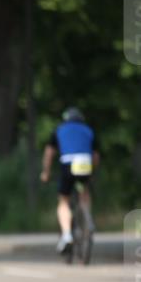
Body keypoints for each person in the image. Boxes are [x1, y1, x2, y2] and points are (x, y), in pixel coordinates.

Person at [41, 107, 99, 252]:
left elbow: (49, 153)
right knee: (84, 192)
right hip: (85, 164)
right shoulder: (88, 130)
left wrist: (46, 172)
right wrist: (92, 172)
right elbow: (95, 156)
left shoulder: (59, 130)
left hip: (68, 164)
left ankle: (67, 235)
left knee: (63, 200)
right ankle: (87, 218)